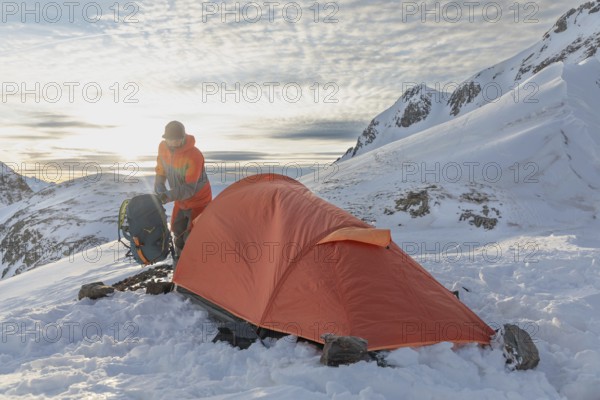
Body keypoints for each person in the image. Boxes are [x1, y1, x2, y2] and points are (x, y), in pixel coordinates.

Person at [154, 121, 212, 265]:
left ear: (183, 137)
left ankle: (194, 274)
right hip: (181, 200)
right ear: (165, 138)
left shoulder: (194, 155)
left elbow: (189, 188)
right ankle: (179, 270)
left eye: (177, 139)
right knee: (177, 231)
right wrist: (159, 184)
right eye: (170, 139)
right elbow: (161, 169)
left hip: (199, 201)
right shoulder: (162, 148)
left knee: (192, 238)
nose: (174, 142)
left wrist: (167, 196)